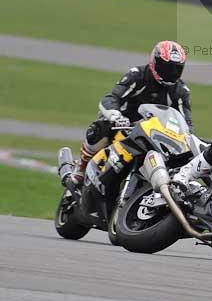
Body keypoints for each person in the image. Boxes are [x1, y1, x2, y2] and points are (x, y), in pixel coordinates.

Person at [65, 40, 191, 190]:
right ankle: (81, 168)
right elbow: (111, 98)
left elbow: (186, 122)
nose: (171, 73)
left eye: (176, 69)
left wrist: (187, 138)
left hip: (154, 135)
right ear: (154, 62)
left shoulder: (180, 91)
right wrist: (115, 116)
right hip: (125, 127)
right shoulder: (137, 76)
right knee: (100, 128)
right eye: (166, 67)